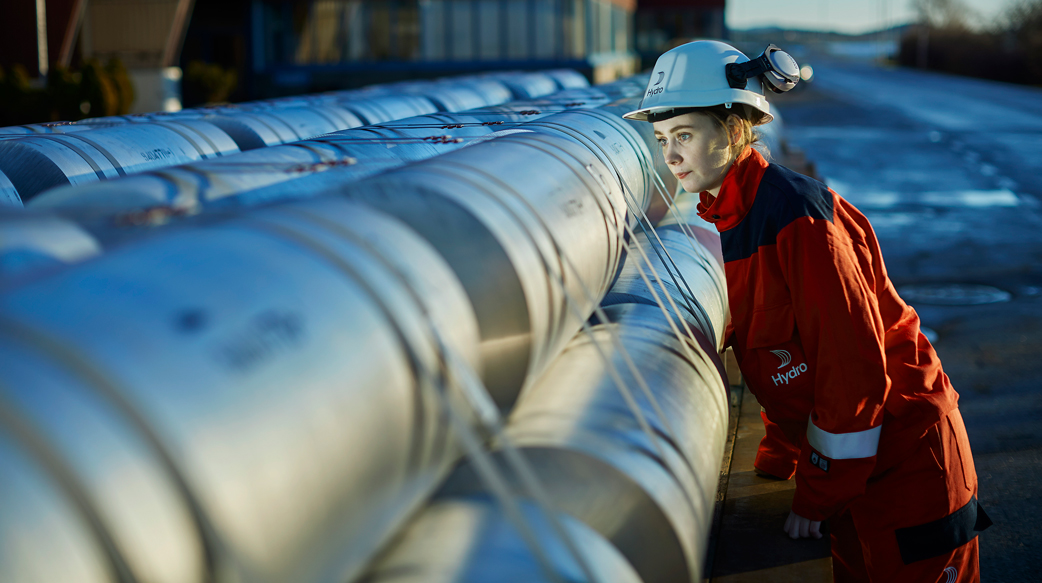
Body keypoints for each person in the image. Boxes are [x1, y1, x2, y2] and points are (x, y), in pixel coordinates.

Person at [623, 40, 991, 583]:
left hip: (907, 467)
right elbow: (777, 352)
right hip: (855, 474)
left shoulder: (796, 217)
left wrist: (815, 495)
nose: (670, 155)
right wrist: (781, 452)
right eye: (661, 139)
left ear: (731, 130)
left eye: (685, 135)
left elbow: (850, 370)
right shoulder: (733, 217)